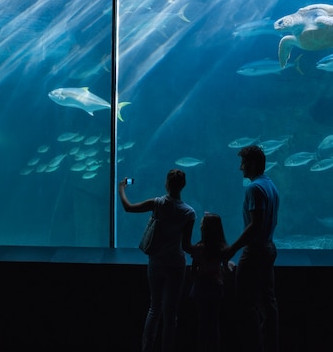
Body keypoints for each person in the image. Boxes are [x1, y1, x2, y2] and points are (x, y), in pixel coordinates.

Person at [119, 169, 196, 352]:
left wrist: (121, 188)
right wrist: (204, 251)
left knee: (154, 309)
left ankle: (147, 348)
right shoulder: (189, 213)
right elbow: (186, 245)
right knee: (171, 315)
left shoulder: (158, 203)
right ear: (183, 185)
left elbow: (128, 207)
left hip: (156, 263)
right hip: (176, 265)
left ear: (166, 184)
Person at [223, 145, 280, 352]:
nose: (240, 168)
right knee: (268, 304)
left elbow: (255, 225)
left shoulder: (254, 189)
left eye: (243, 163)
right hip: (269, 247)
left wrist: (233, 249)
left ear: (253, 164)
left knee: (245, 305)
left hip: (255, 252)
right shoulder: (271, 185)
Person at [190, 213, 230, 352]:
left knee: (202, 322)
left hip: (201, 287)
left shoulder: (199, 248)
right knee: (214, 323)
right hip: (216, 287)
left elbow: (194, 269)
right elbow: (226, 268)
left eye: (201, 224)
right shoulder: (223, 248)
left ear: (204, 229)